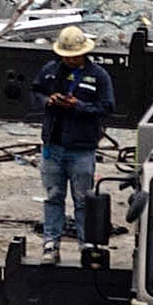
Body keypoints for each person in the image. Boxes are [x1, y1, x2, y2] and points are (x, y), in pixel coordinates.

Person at [31, 22, 116, 251]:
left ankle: (86, 243)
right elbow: (35, 91)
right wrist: (48, 101)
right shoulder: (50, 71)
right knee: (53, 197)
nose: (70, 61)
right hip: (53, 146)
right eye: (67, 57)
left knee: (82, 200)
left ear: (84, 53)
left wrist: (78, 106)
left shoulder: (98, 76)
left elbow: (106, 107)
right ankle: (51, 242)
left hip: (82, 148)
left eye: (74, 57)